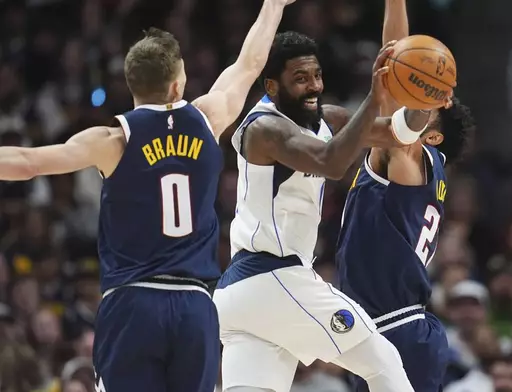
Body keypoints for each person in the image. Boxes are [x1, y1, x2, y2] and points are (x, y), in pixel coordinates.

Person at [0, 0, 296, 390]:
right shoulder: (209, 118)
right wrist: (273, 6)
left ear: (131, 83)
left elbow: (26, 162)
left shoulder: (113, 140)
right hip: (194, 304)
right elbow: (249, 64)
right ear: (177, 85)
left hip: (133, 303)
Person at [213, 29, 446, 392]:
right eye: (300, 79)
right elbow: (332, 162)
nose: (313, 86)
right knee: (383, 361)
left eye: (317, 75)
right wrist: (375, 96)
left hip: (244, 296)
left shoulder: (327, 119)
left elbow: (399, 134)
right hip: (274, 276)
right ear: (272, 87)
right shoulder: (265, 128)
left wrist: (427, 98)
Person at [335, 1, 476, 391]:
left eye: (424, 109)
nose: (410, 107)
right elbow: (399, 66)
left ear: (432, 135)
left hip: (396, 328)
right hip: (388, 327)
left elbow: (401, 62)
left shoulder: (412, 154)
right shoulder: (428, 167)